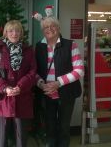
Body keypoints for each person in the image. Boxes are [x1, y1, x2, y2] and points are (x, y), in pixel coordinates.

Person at [0, 20, 37, 147]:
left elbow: (33, 71)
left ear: (21, 32)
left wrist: (21, 86)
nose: (14, 33)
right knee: (1, 139)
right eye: (11, 30)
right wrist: (4, 87)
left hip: (22, 97)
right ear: (5, 33)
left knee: (21, 138)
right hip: (2, 99)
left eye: (17, 30)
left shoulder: (28, 51)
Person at [35, 16, 84, 147]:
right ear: (43, 30)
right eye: (46, 27)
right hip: (47, 94)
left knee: (64, 127)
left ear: (58, 28)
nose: (49, 29)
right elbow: (34, 71)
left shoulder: (70, 44)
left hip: (66, 94)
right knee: (49, 127)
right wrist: (41, 84)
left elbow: (79, 70)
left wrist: (58, 83)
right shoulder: (39, 46)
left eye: (53, 26)